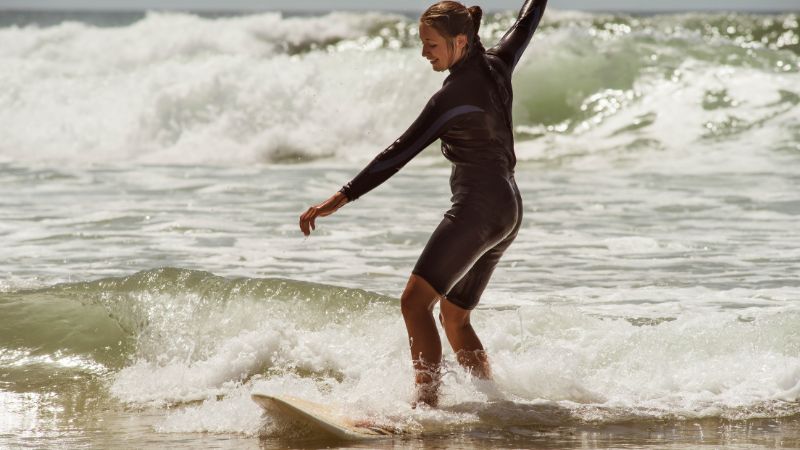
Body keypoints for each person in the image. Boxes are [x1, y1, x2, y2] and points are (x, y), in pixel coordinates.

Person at [299, 0, 548, 407]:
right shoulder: (498, 63)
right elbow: (527, 20)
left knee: (415, 303)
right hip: (509, 210)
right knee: (454, 315)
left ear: (459, 41)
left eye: (431, 45)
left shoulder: (452, 97)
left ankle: (425, 407)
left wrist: (340, 197)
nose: (424, 53)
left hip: (479, 208)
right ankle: (492, 403)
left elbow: (399, 152)